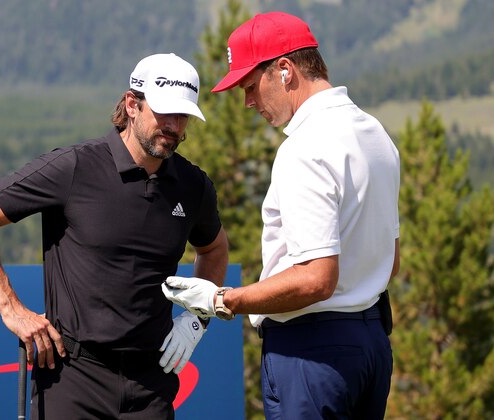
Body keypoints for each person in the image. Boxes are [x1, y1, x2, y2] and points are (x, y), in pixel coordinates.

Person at [0, 53, 228, 419]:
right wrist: (12, 310)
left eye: (183, 116)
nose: (174, 126)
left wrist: (196, 320)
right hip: (72, 377)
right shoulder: (75, 166)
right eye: (164, 113)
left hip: (152, 382)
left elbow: (214, 248)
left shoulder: (193, 186)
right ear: (132, 104)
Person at [162, 11, 400, 419]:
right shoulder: (374, 132)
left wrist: (223, 299)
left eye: (251, 86)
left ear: (285, 70)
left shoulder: (305, 146)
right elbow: (390, 262)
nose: (248, 102)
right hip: (372, 345)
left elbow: (316, 279)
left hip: (312, 353)